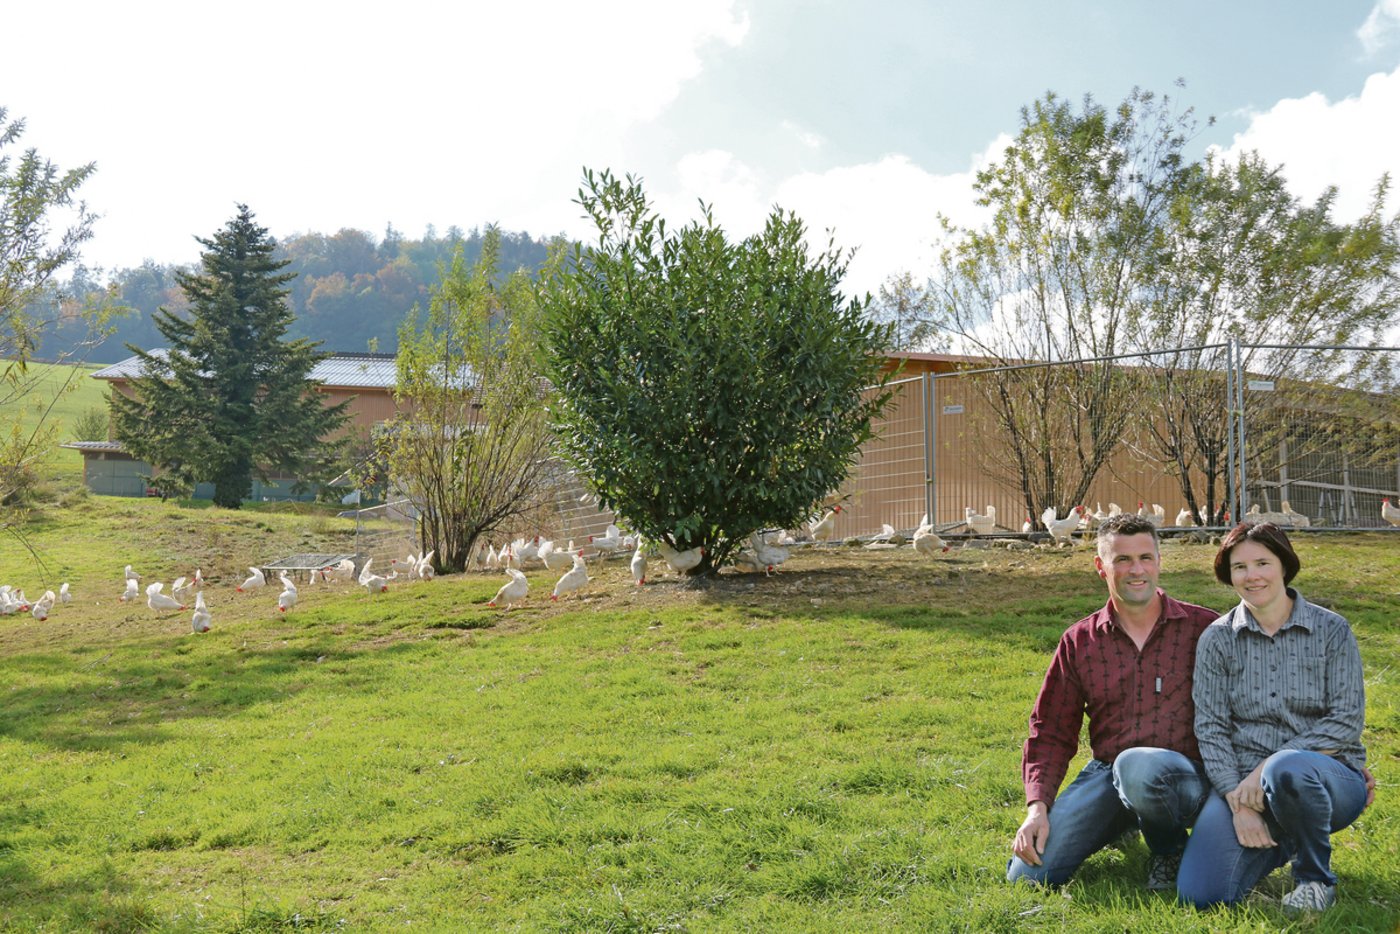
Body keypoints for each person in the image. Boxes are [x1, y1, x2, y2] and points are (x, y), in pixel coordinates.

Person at [1008, 513, 1220, 890]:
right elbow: (1050, 731)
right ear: (1100, 566)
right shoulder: (1079, 642)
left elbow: (1248, 710)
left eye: (1145, 557)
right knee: (1028, 876)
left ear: (1159, 561)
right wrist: (1037, 808)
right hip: (1109, 774)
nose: (1137, 570)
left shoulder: (1205, 629)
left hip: (1191, 777)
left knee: (1140, 768)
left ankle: (1168, 849)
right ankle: (1122, 819)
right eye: (1122, 559)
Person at [1178, 521, 1369, 912]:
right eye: (1240, 567)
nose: (1252, 576)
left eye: (1262, 563)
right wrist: (1238, 801)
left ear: (1284, 564)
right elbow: (1211, 727)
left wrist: (1268, 766)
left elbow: (1346, 720)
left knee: (1287, 768)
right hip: (1244, 786)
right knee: (1202, 895)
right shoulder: (1217, 638)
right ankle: (1284, 838)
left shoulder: (1332, 630)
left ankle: (1315, 880)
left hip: (1326, 778)